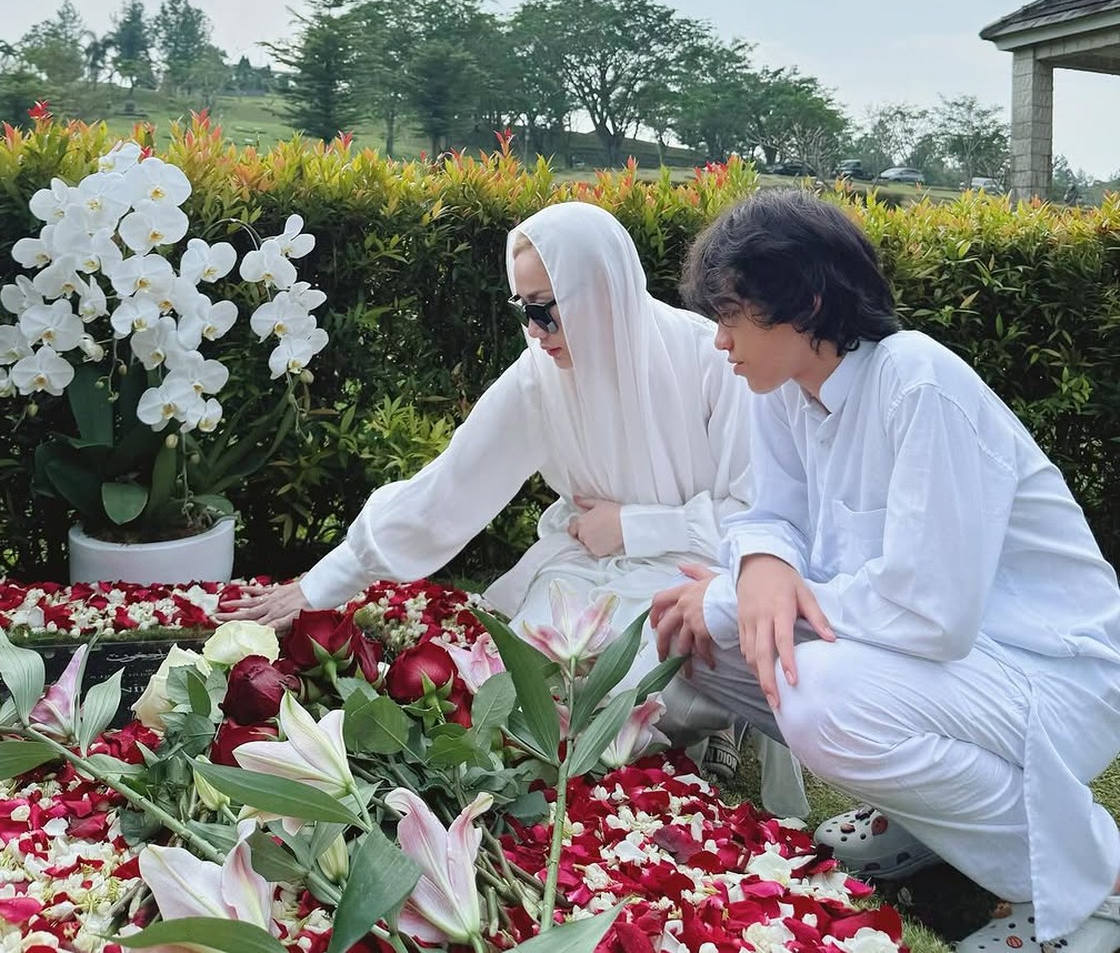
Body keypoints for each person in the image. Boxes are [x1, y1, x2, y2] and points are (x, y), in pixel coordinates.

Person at [649, 188, 1120, 953]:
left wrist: (739, 596)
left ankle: (1092, 886)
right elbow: (770, 513)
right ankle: (922, 820)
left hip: (1046, 669)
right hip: (936, 665)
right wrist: (761, 563)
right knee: (695, 637)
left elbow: (932, 612)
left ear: (805, 302)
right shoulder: (783, 391)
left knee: (819, 695)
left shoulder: (917, 381)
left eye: (731, 313)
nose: (719, 340)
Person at [222, 200, 752, 722]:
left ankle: (716, 733)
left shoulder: (712, 360)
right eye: (523, 310)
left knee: (628, 678)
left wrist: (632, 527)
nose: (534, 331)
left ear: (598, 292)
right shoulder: (539, 377)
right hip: (587, 568)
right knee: (520, 682)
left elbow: (760, 517)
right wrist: (318, 586)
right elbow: (449, 488)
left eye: (544, 309)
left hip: (697, 572)